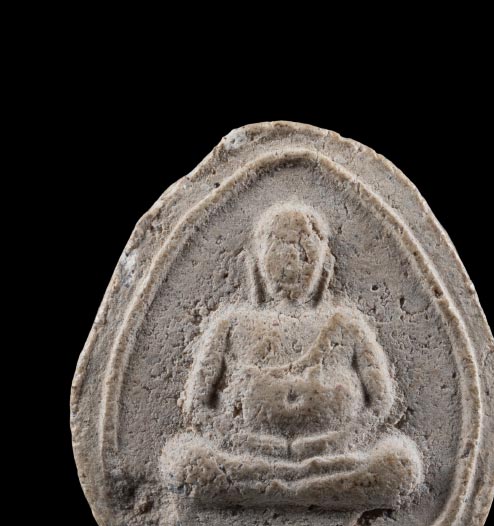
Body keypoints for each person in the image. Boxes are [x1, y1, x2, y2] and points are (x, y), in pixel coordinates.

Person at [160, 204, 422, 509]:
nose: (291, 263)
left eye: (303, 250)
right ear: (254, 263)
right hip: (248, 456)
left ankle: (271, 493)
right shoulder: (231, 325)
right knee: (184, 460)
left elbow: (381, 403)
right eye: (278, 249)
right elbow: (196, 406)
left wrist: (339, 440)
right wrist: (241, 439)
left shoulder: (346, 323)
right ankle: (316, 494)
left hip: (335, 457)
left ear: (325, 265)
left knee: (400, 463)